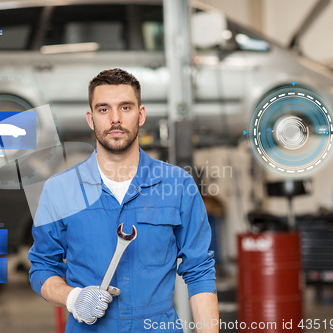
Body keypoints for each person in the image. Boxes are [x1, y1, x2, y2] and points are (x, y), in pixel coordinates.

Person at [29, 68, 219, 332]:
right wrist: (73, 298)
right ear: (90, 118)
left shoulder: (178, 185)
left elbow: (199, 271)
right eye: (104, 109)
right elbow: (42, 268)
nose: (115, 119)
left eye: (125, 107)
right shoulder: (60, 190)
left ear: (140, 115)